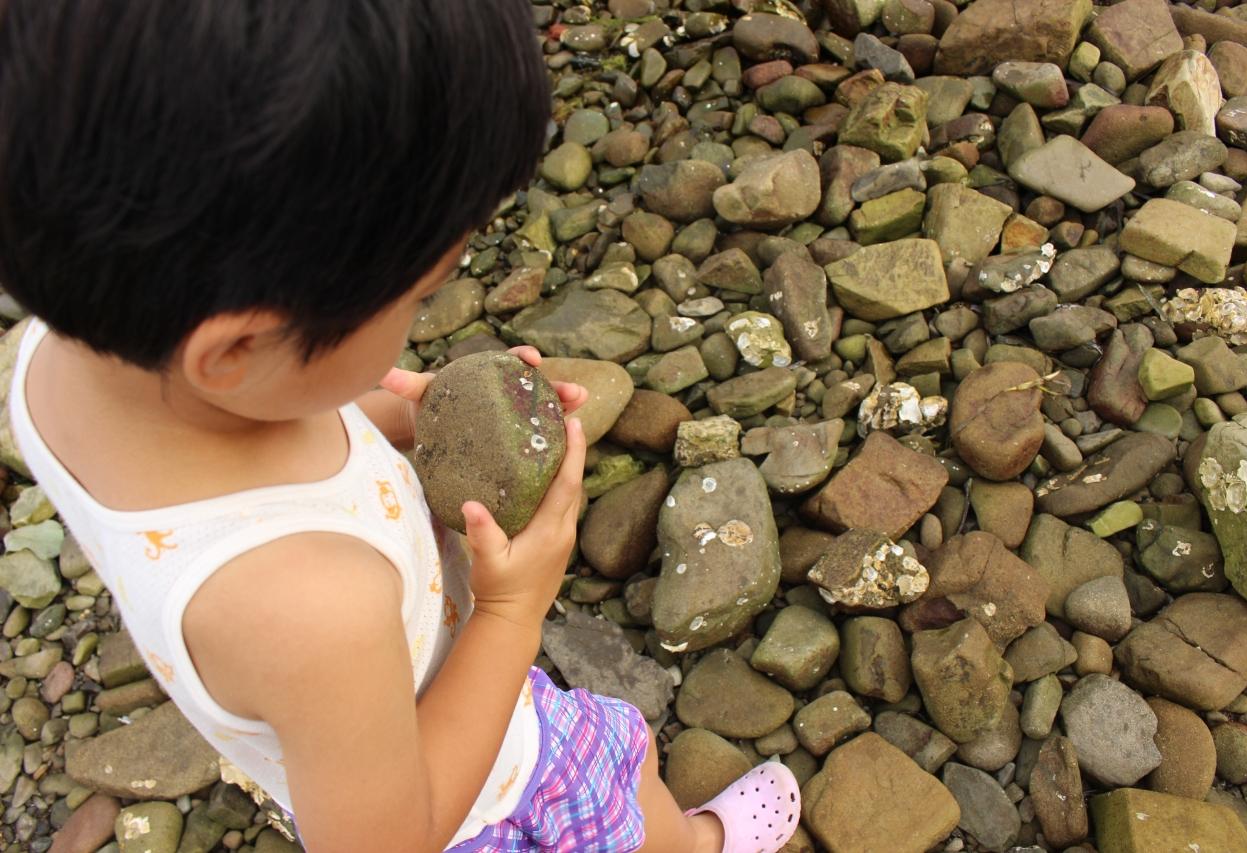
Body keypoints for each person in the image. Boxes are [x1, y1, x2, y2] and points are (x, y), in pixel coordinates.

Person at [0, 1, 802, 851]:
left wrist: (414, 417)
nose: (422, 314)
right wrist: (510, 612)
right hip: (488, 787)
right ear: (237, 348)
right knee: (620, 789)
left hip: (349, 732)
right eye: (419, 297)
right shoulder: (319, 611)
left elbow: (274, 444)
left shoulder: (56, 364)